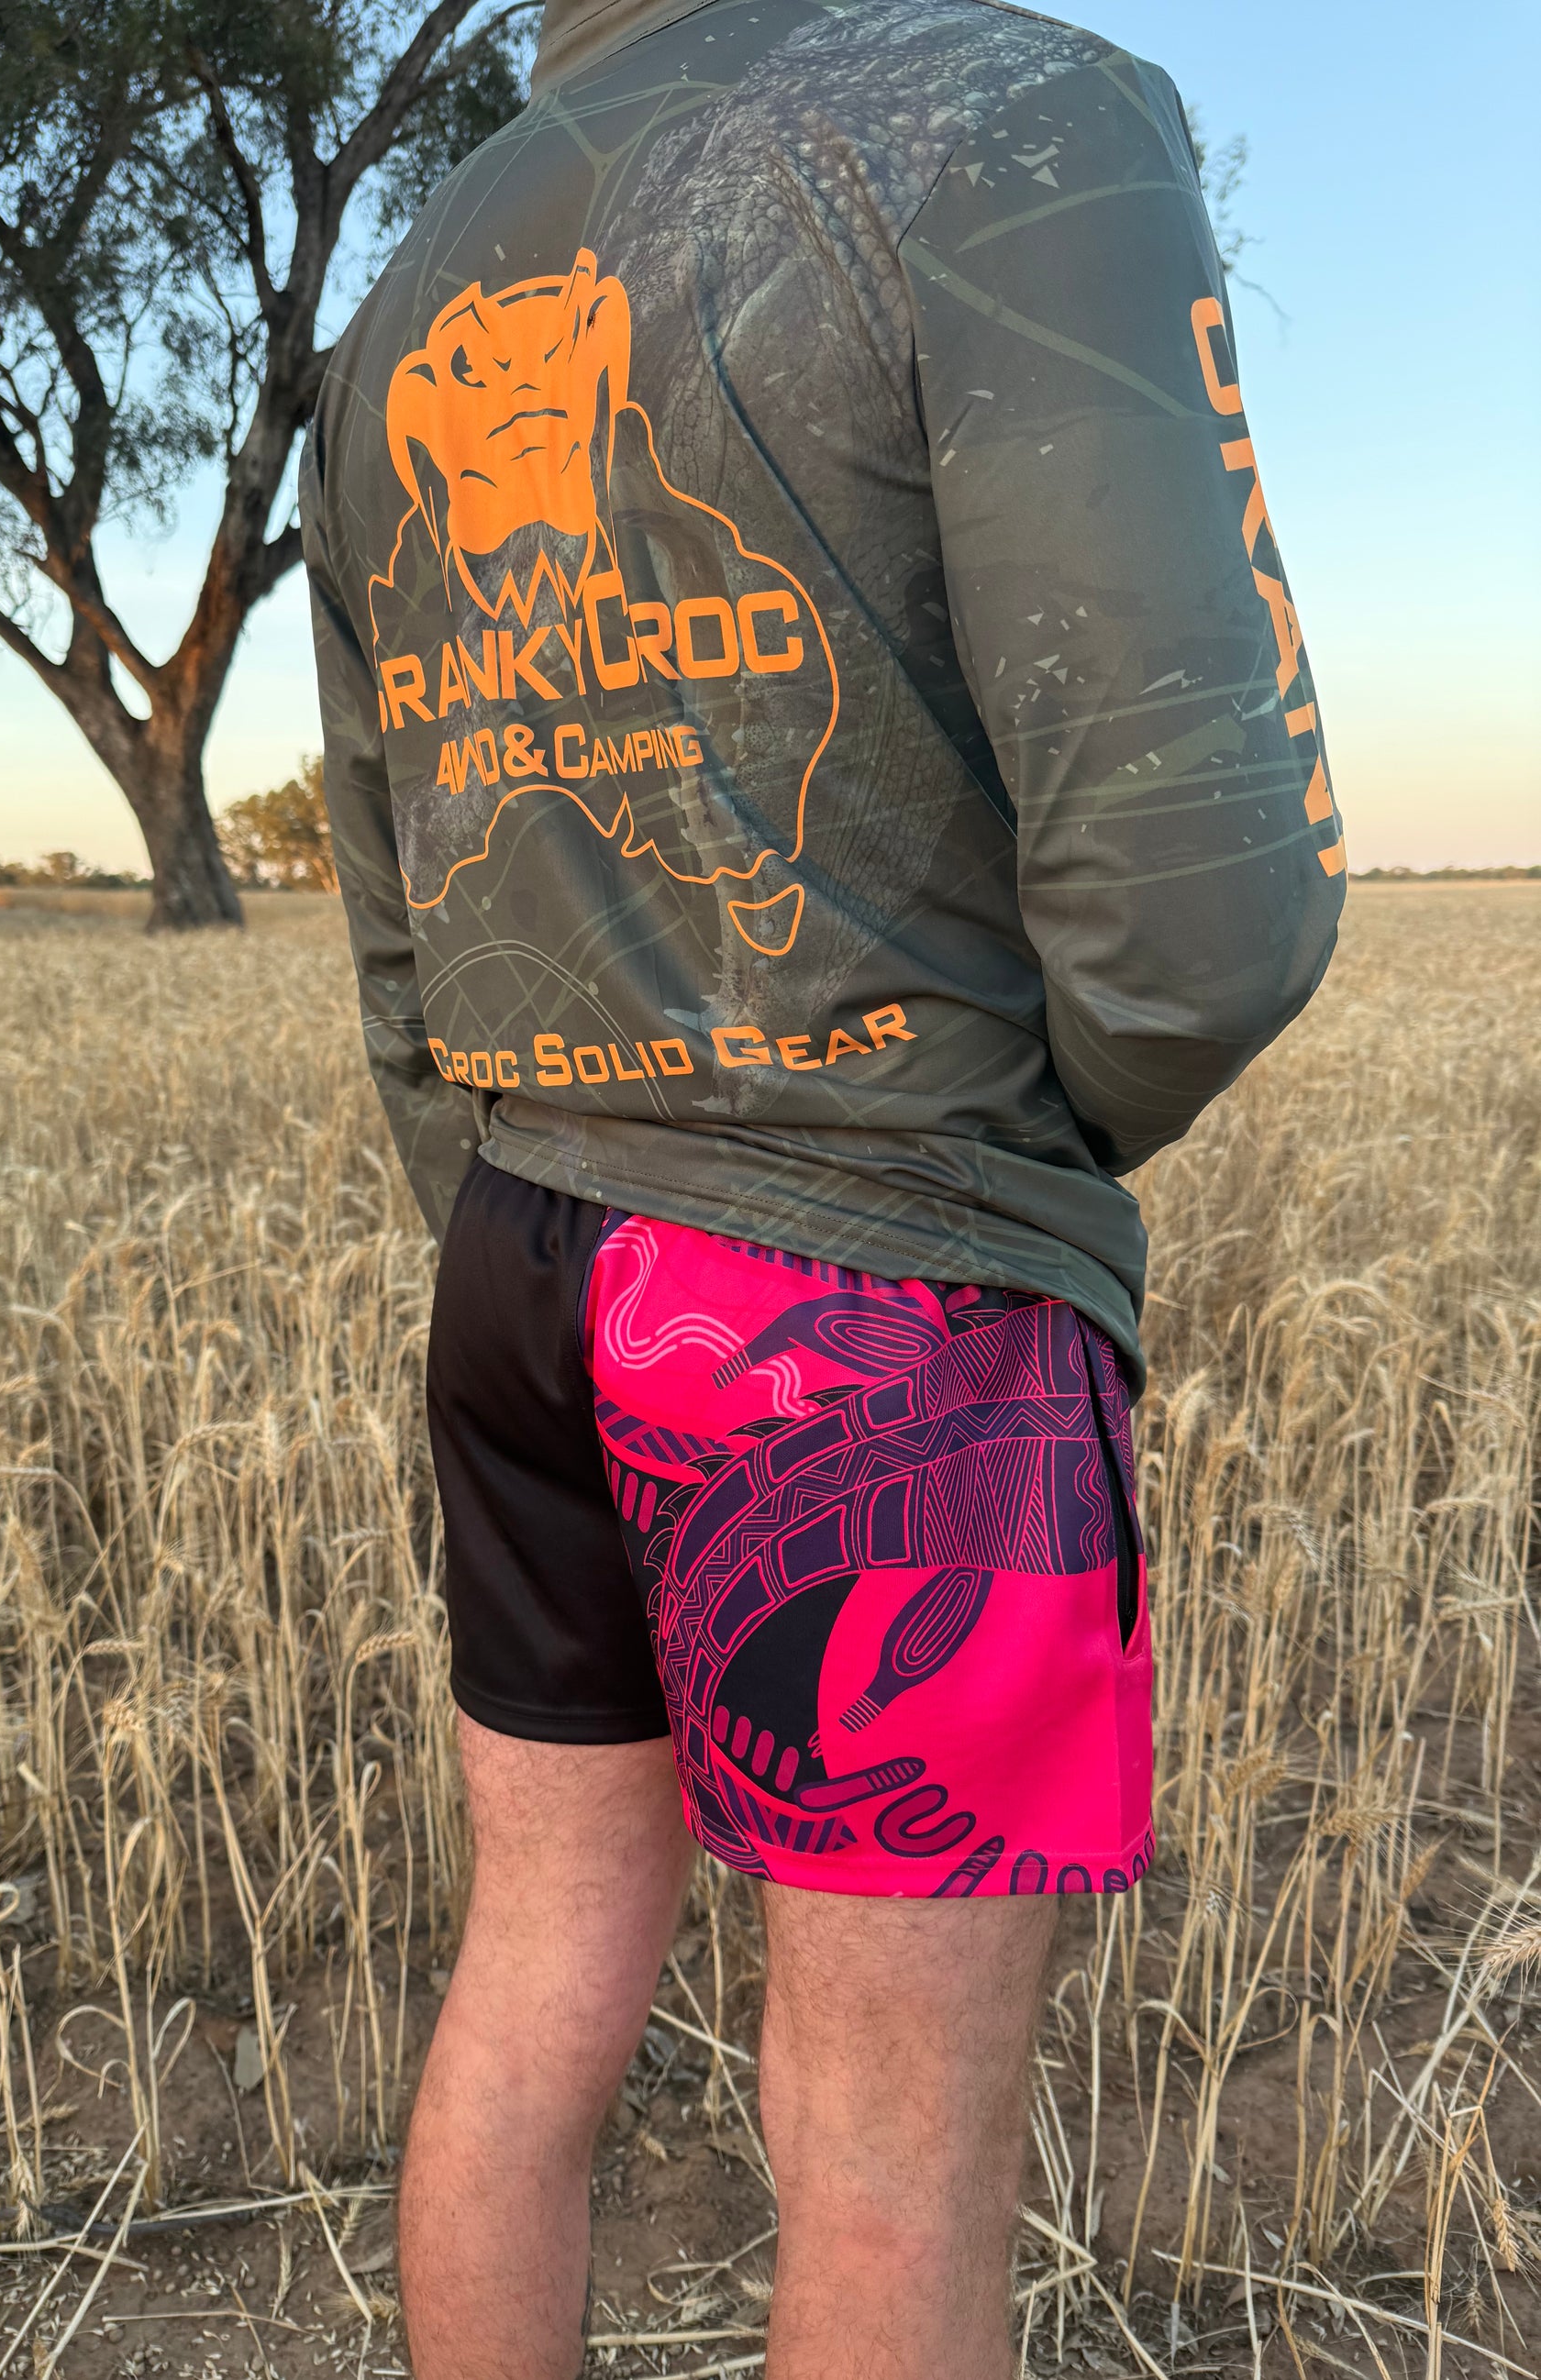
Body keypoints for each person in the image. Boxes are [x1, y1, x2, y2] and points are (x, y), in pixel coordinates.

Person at [302, 1, 1343, 2369]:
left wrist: (528, 1166)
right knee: (882, 2160)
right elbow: (1204, 907)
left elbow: (400, 946)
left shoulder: (404, 293)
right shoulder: (1003, 121)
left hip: (516, 1254)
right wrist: (989, 1163)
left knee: (534, 1986)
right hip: (877, 1305)